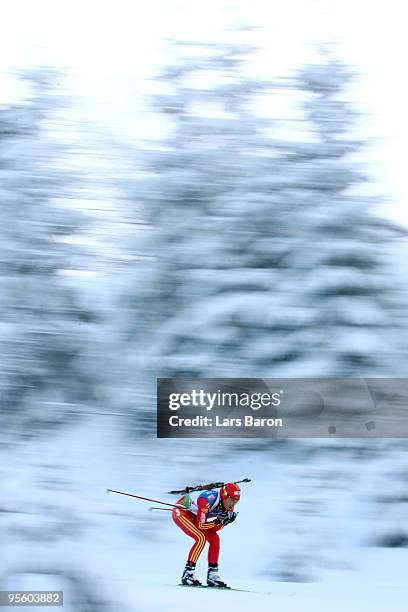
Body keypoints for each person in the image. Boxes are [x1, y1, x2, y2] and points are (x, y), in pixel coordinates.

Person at [172, 482, 241, 587]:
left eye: (236, 501)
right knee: (201, 538)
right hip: (182, 512)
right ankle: (188, 573)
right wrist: (218, 521)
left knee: (215, 539)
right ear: (225, 496)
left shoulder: (229, 506)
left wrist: (223, 522)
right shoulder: (207, 500)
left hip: (196, 516)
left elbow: (215, 529)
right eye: (232, 500)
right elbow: (201, 525)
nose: (233, 504)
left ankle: (212, 575)